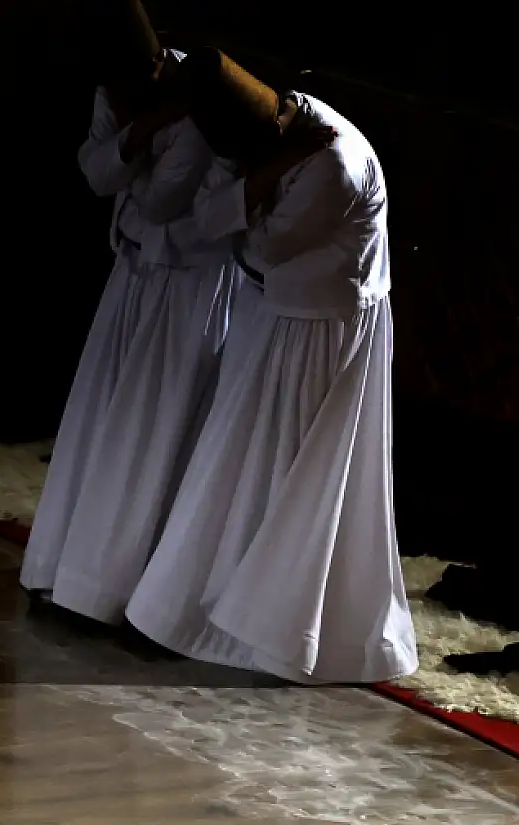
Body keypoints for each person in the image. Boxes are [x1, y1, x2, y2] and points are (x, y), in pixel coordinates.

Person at [124, 49, 417, 683]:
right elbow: (212, 220)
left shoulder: (333, 161)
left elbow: (266, 245)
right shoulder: (268, 135)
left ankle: (272, 622)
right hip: (271, 313)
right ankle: (204, 599)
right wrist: (255, 188)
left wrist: (244, 203)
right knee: (236, 452)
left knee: (289, 463)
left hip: (319, 331)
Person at [19, 1, 237, 624]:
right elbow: (95, 175)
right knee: (102, 413)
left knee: (149, 426)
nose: (112, 99)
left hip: (186, 284)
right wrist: (137, 135)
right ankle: (69, 566)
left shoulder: (193, 102)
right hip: (135, 271)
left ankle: (120, 584)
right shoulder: (115, 96)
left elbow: (164, 198)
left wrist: (127, 152)